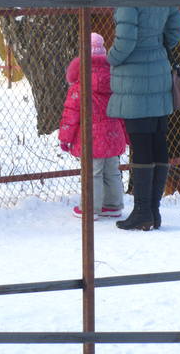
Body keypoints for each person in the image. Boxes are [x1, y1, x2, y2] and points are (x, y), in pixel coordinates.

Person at [106, 0, 180, 231]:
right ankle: (153, 211)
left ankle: (141, 213)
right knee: (157, 141)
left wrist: (109, 60)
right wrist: (158, 47)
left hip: (134, 81)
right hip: (159, 76)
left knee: (140, 145)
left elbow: (124, 43)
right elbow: (176, 30)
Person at [59, 32, 129, 220]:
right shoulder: (115, 80)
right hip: (113, 133)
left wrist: (65, 138)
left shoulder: (79, 86)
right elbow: (122, 110)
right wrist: (126, 134)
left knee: (92, 172)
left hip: (92, 136)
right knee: (112, 171)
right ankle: (113, 205)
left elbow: (71, 115)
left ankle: (90, 209)